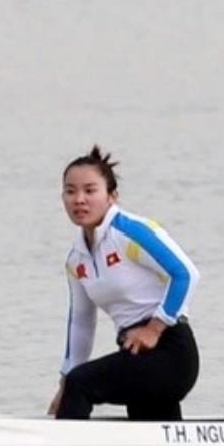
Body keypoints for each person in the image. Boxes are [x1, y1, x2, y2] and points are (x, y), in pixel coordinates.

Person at [50, 146, 201, 421]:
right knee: (151, 437)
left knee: (81, 383)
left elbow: (185, 274)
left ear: (111, 196)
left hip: (170, 353)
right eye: (70, 191)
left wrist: (154, 329)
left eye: (90, 190)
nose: (79, 199)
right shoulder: (76, 259)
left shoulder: (129, 231)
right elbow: (82, 323)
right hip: (135, 354)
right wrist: (63, 385)